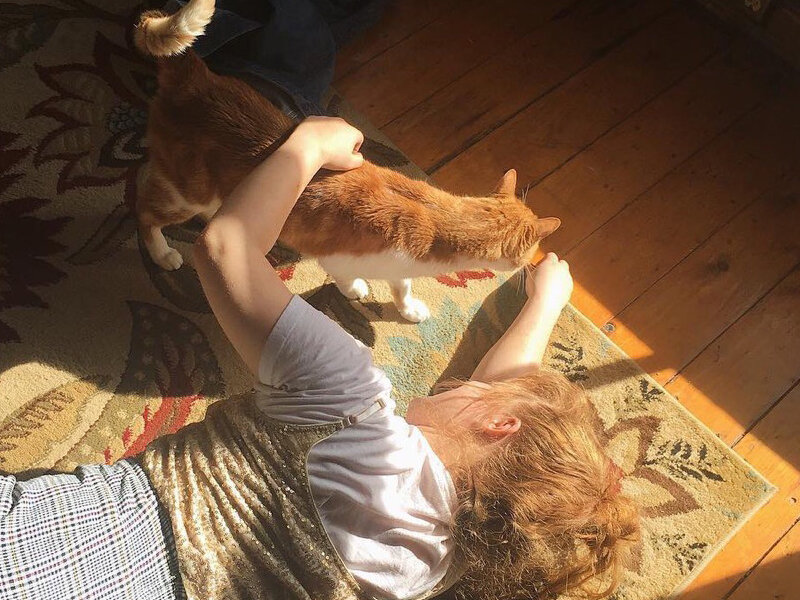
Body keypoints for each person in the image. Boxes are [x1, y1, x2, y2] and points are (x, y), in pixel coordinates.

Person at [0, 117, 638, 600]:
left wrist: (306, 146)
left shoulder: (347, 393)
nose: (464, 383)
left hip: (84, 547)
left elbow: (225, 248)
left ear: (500, 424)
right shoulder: (437, 566)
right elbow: (504, 407)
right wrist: (543, 305)